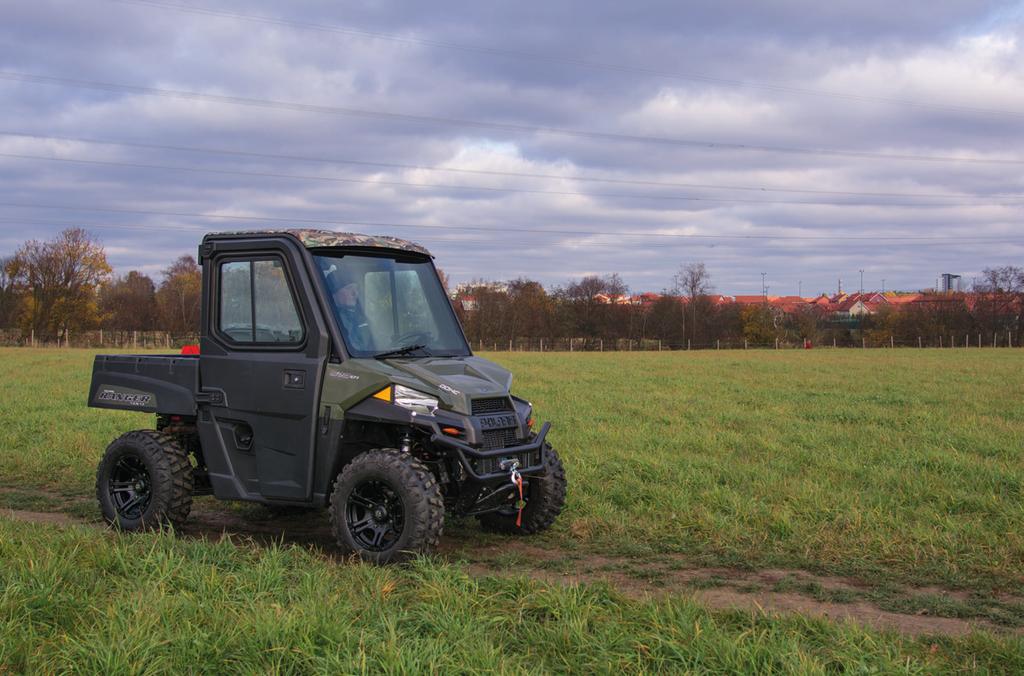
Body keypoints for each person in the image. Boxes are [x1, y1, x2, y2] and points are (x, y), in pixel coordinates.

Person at [330, 272, 371, 351]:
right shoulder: (327, 317)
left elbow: (374, 340)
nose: (355, 294)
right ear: (335, 293)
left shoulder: (361, 317)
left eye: (356, 289)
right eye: (349, 288)